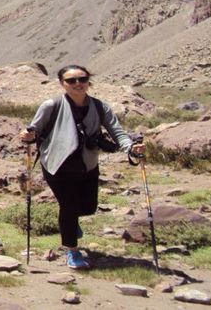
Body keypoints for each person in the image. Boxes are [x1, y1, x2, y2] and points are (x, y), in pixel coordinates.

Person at [18, 65, 145, 269]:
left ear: (88, 81)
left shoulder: (100, 107)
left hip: (87, 164)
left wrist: (130, 148)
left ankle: (71, 223)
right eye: (71, 80)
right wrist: (28, 136)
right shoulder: (51, 105)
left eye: (82, 79)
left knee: (88, 207)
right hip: (57, 165)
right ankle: (72, 250)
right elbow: (34, 130)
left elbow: (117, 132)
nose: (77, 84)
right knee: (68, 207)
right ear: (62, 84)